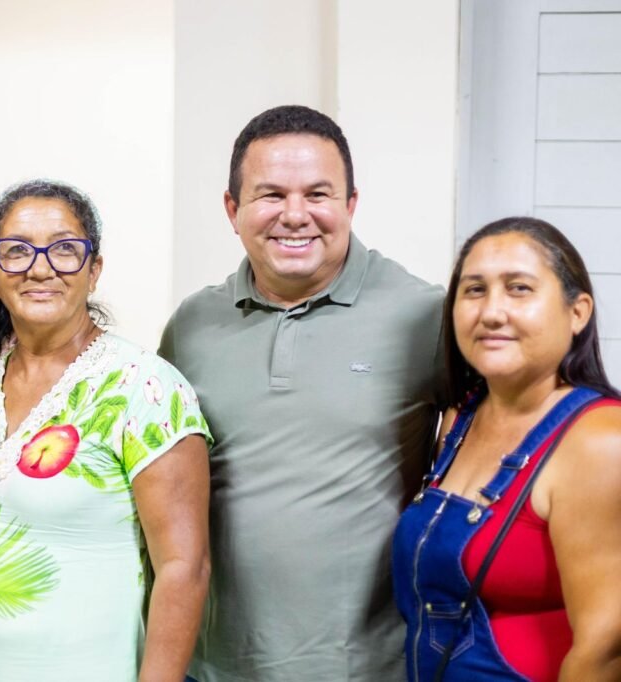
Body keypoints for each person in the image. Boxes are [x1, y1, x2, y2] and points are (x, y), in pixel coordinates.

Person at [159, 105, 445, 681]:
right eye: (271, 195)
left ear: (350, 204)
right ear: (232, 209)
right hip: (213, 667)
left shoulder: (425, 316)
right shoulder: (192, 326)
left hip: (368, 669)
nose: (295, 215)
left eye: (318, 194)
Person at [0, 179, 212, 681]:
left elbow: (183, 568)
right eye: (16, 251)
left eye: (64, 249)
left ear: (94, 270)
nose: (40, 268)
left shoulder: (143, 388)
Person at [392, 217, 621, 681]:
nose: (492, 312)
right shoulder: (460, 420)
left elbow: (604, 650)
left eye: (519, 289)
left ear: (578, 312)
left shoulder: (600, 441)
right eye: (475, 290)